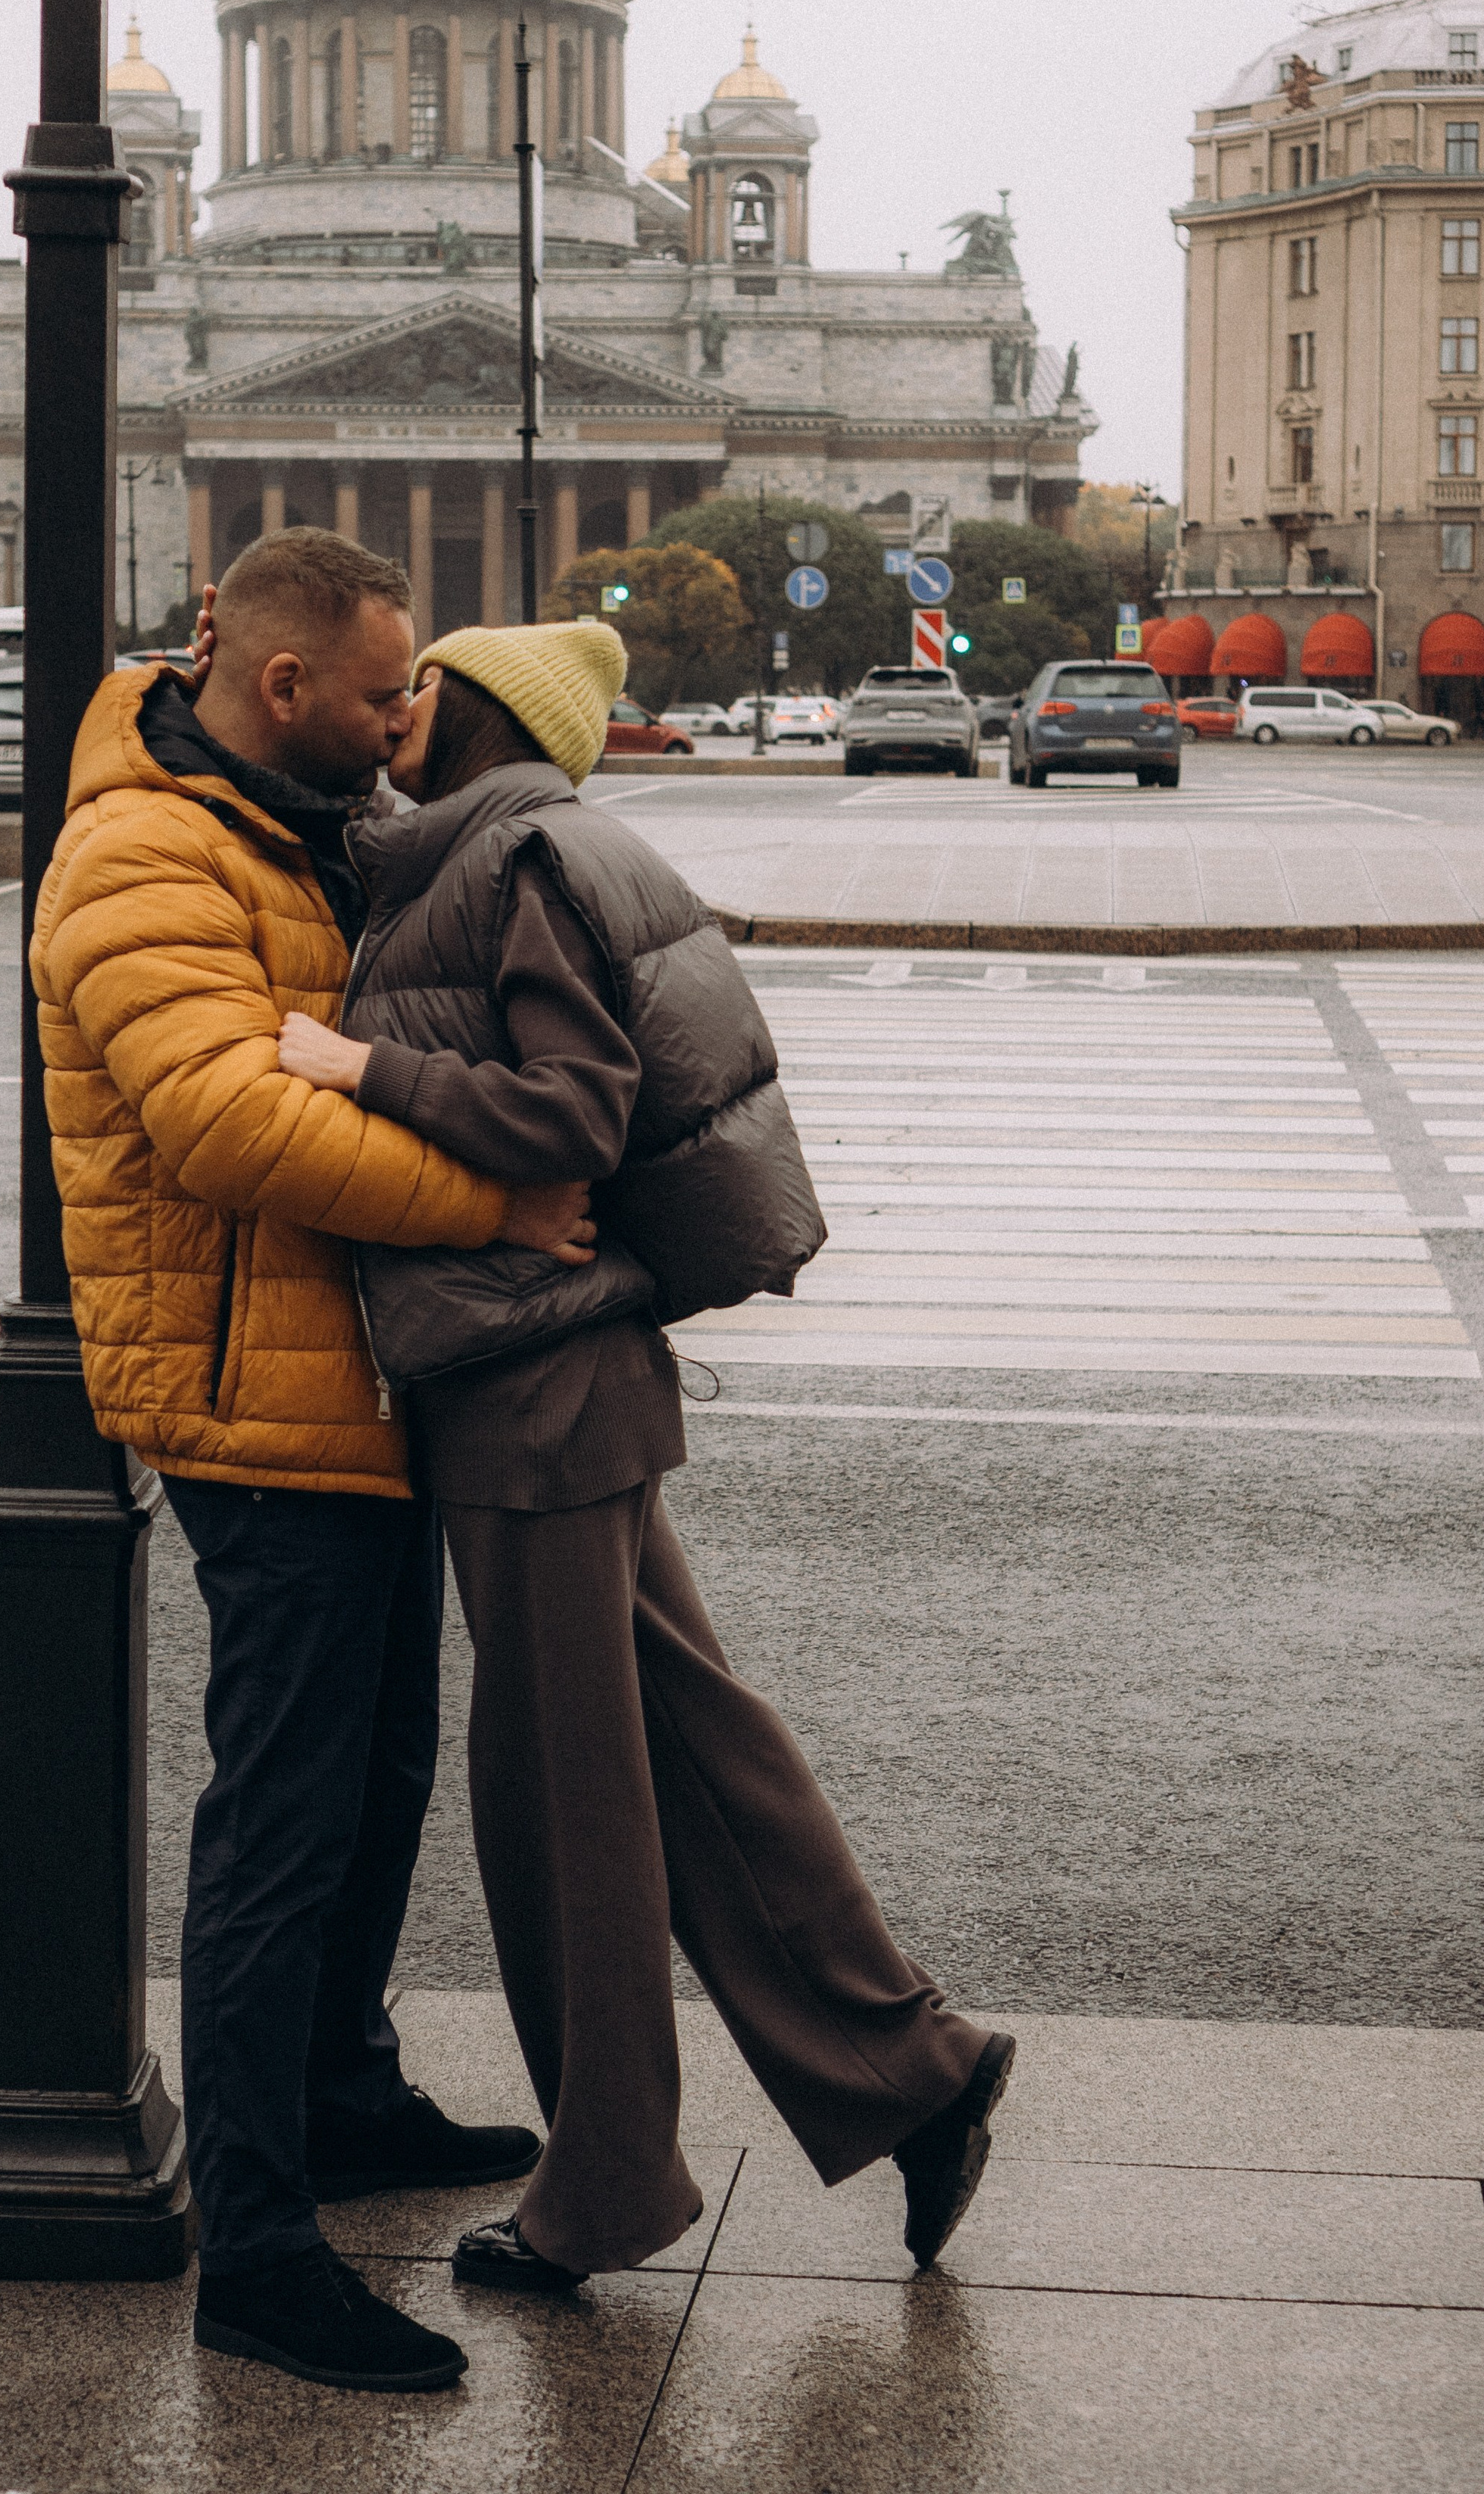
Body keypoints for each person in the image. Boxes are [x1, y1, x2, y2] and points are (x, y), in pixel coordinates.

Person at [273, 616, 1014, 2297]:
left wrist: (353, 1062)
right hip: (558, 1378)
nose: (397, 707)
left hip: (529, 1380)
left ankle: (602, 2185)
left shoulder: (517, 855)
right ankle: (915, 2068)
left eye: (421, 686)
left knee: (562, 1807)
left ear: (481, 712)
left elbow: (572, 1115)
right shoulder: (504, 845)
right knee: (688, 1756)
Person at [30, 531, 599, 2396]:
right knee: (280, 1823)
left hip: (343, 1375)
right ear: (283, 688)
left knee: (370, 1774)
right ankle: (258, 2252)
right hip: (250, 1394)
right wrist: (498, 1200)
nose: (400, 725)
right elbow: (222, 1124)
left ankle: (343, 2100)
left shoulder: (285, 818)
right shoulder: (143, 849)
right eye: (378, 695)